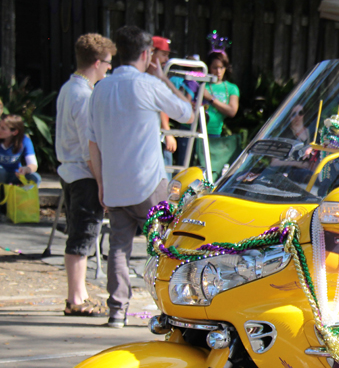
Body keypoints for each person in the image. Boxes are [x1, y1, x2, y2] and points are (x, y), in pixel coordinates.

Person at [88, 26, 194, 328]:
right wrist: (162, 78)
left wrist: (100, 182)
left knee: (118, 249)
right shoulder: (148, 84)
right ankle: (167, 309)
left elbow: (92, 142)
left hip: (115, 182)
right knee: (161, 247)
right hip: (148, 182)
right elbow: (186, 112)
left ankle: (117, 311)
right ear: (147, 55)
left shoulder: (101, 89)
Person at [55, 33, 116, 317]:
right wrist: (102, 182)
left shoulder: (70, 88)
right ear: (96, 62)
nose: (109, 68)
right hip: (82, 173)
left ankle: (78, 294)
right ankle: (75, 298)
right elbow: (87, 146)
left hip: (69, 170)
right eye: (107, 63)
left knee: (80, 234)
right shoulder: (83, 95)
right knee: (82, 235)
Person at [151, 36, 178, 170]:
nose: (166, 60)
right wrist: (168, 133)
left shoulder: (158, 76)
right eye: (163, 54)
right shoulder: (151, 79)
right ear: (151, 53)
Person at [203, 51, 240, 137]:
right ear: (209, 67)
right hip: (194, 129)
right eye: (215, 68)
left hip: (214, 132)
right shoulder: (201, 84)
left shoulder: (232, 88)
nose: (218, 71)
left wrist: (211, 99)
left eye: (221, 67)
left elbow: (232, 111)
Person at [0, 114, 40, 188]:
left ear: (14, 132)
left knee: (35, 177)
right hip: (1, 175)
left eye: (3, 128)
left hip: (16, 174)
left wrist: (25, 169)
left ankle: (22, 197)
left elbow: (33, 165)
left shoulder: (24, 141)